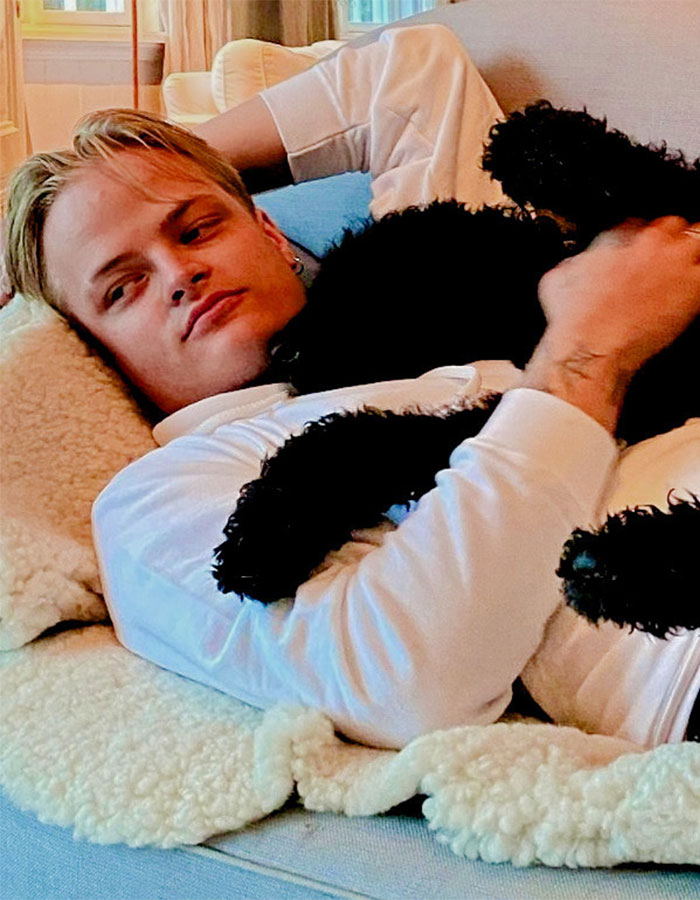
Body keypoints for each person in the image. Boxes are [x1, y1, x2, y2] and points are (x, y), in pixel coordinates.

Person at [4, 25, 700, 749]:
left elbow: (410, 75)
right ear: (92, 348)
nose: (180, 276)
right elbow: (402, 680)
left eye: (197, 230)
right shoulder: (159, 498)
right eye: (124, 287)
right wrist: (587, 353)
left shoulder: (419, 291)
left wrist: (147, 168)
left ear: (270, 233)